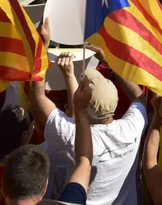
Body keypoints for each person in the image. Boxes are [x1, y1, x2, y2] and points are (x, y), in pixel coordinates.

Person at [28, 21, 147, 205]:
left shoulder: (73, 138)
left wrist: (42, 48)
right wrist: (111, 64)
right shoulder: (132, 127)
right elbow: (139, 98)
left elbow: (38, 98)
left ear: (83, 105)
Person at [1, 77, 93, 205]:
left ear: (3, 188)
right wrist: (80, 109)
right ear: (44, 189)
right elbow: (84, 163)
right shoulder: (48, 152)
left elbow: (83, 163)